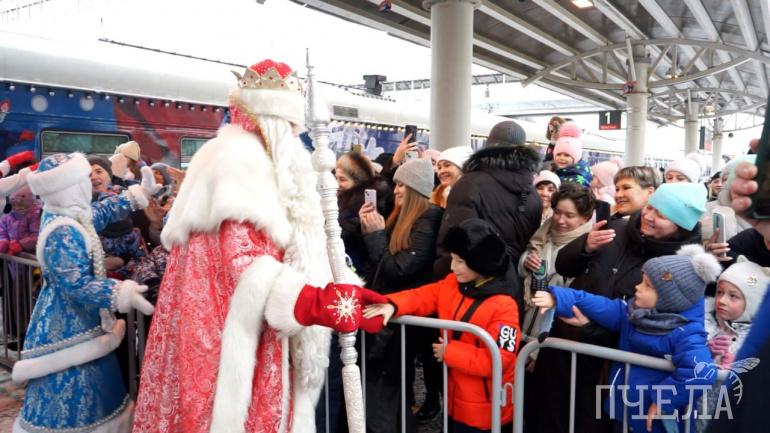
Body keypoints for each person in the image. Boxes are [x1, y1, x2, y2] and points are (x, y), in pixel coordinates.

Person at [132, 59, 386, 433]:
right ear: (272, 121)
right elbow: (246, 264)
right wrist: (321, 303)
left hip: (214, 329)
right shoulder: (242, 165)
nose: (295, 136)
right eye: (290, 126)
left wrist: (342, 289)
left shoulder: (222, 158)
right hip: (230, 340)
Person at [535, 182, 705, 433]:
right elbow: (564, 266)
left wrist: (590, 330)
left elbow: (652, 330)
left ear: (679, 226)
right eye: (650, 207)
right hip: (563, 344)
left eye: (661, 215)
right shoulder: (617, 228)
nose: (648, 216)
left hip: (608, 367)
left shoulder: (679, 268)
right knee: (544, 415)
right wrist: (584, 247)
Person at [11, 152, 158, 432]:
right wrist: (120, 292)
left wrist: (137, 194)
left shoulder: (68, 211)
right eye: (82, 179)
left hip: (83, 318)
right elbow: (76, 284)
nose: (88, 183)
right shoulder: (62, 230)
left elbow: (100, 212)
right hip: (68, 324)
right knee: (76, 385)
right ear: (67, 187)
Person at [533, 245, 721, 433]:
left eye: (648, 285)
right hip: (624, 414)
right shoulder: (632, 313)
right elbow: (596, 304)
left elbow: (701, 371)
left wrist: (663, 400)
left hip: (657, 423)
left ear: (669, 298)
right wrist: (559, 298)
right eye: (642, 280)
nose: (638, 287)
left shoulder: (687, 334)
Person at [363, 218, 520, 433]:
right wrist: (392, 305)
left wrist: (449, 352)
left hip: (486, 410)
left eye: (460, 261)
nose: (453, 267)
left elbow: (500, 359)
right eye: (452, 259)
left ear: (481, 262)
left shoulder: (505, 305)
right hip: (455, 399)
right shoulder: (454, 284)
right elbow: (423, 295)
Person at [358, 157, 443, 433]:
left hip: (405, 316)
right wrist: (369, 231)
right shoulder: (400, 217)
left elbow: (399, 269)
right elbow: (381, 265)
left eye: (403, 185)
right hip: (390, 313)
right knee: (388, 384)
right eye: (396, 184)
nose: (396, 190)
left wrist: (375, 236)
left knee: (393, 382)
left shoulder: (428, 218)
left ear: (416, 188)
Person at [433, 123, 541, 300]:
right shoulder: (533, 194)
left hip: (472, 290)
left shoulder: (469, 183)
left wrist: (442, 277)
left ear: (488, 146)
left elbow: (452, 242)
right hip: (512, 289)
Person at [518, 183, 594, 349]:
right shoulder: (543, 234)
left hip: (549, 336)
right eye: (557, 212)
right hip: (523, 322)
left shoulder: (586, 248)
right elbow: (527, 257)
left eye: (569, 215)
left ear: (586, 218)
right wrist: (526, 261)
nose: (560, 220)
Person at [336, 151, 394, 278]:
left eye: (342, 179)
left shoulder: (360, 206)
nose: (336, 183)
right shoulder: (344, 201)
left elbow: (341, 237)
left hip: (355, 272)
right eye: (336, 178)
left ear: (357, 181)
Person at [705, 257, 770, 367]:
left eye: (733, 296)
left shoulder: (758, 340)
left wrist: (736, 365)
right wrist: (705, 350)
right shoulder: (704, 320)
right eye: (719, 292)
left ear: (751, 304)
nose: (721, 300)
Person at [0, 186, 40, 255]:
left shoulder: (35, 214)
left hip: (30, 255)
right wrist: (3, 242)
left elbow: (37, 234)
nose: (17, 208)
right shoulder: (6, 216)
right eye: (13, 201)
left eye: (21, 206)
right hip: (11, 256)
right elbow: (2, 232)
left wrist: (21, 245)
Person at [551, 122, 592, 188]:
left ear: (576, 157)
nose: (561, 157)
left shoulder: (577, 180)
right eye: (558, 154)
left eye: (567, 155)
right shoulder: (559, 171)